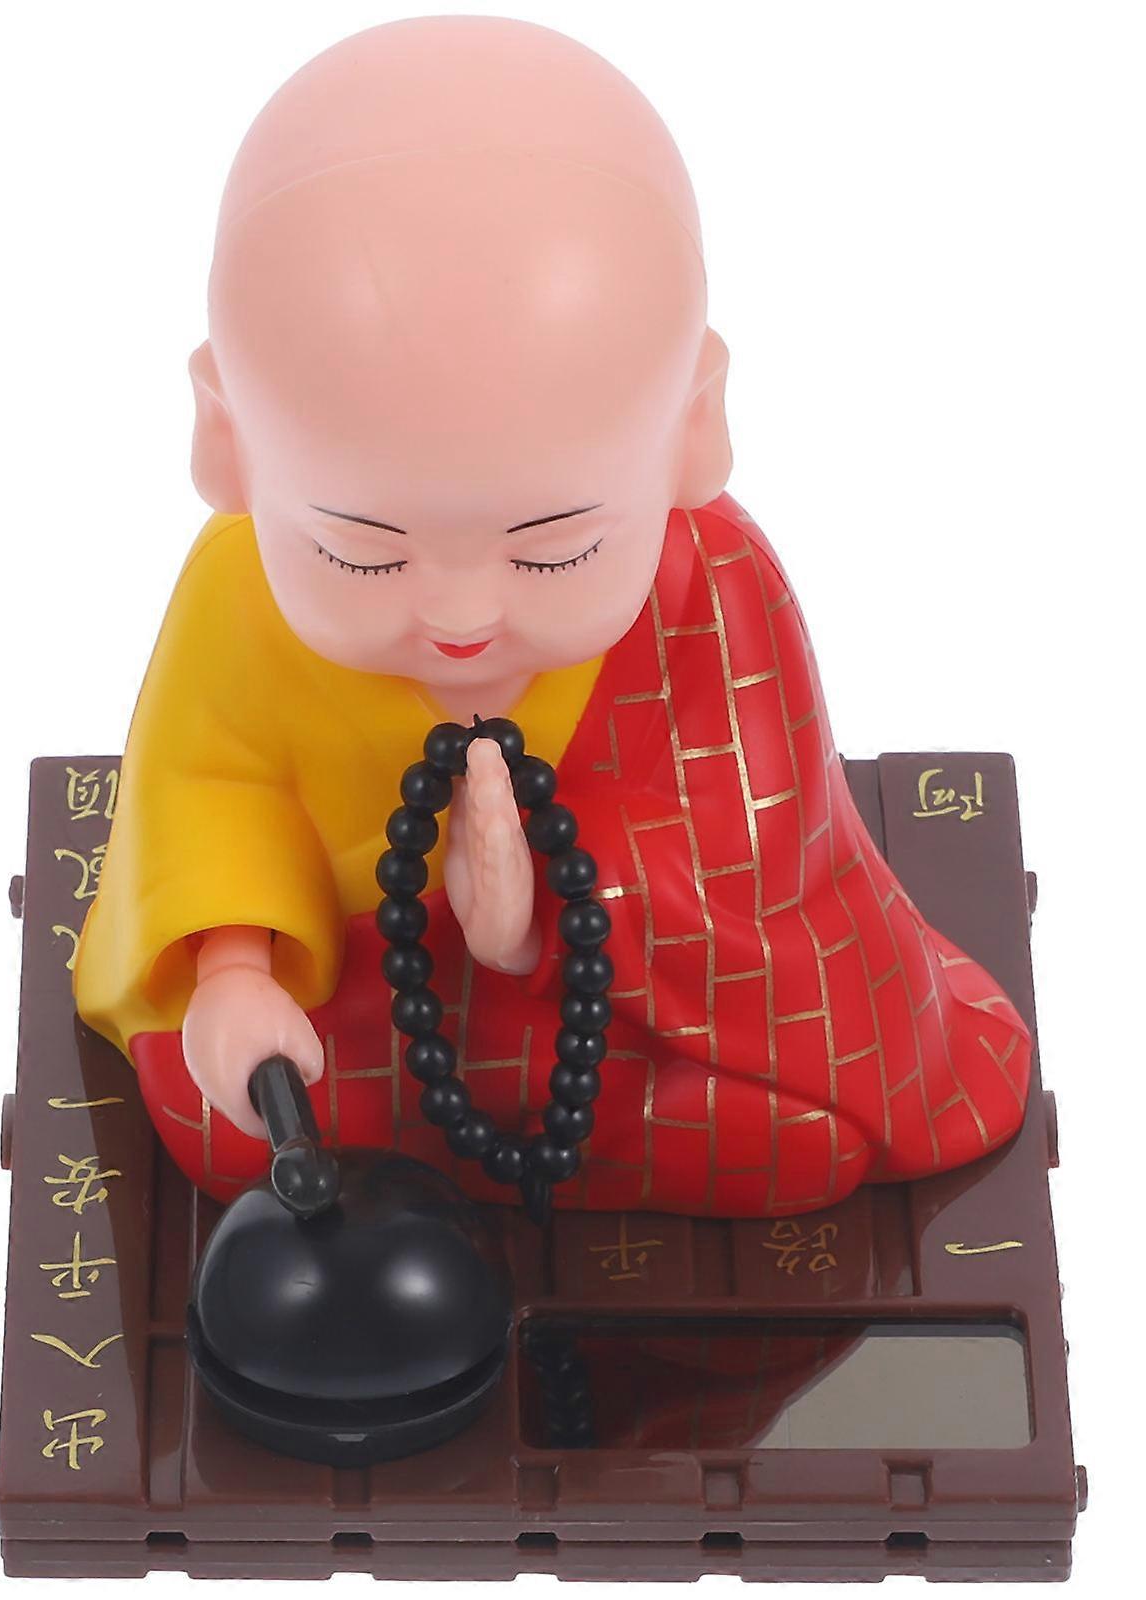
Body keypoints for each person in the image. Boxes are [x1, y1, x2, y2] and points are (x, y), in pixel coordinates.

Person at [74, 16, 1030, 1215]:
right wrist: (230, 982)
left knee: (804, 1125)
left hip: (600, 1006)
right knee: (229, 1126)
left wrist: (554, 917)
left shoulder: (710, 587)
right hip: (362, 1000)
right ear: (227, 439)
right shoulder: (238, 594)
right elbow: (210, 803)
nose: (462, 614)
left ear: (693, 424)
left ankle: (522, 1140)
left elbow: (761, 868)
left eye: (557, 548)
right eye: (364, 554)